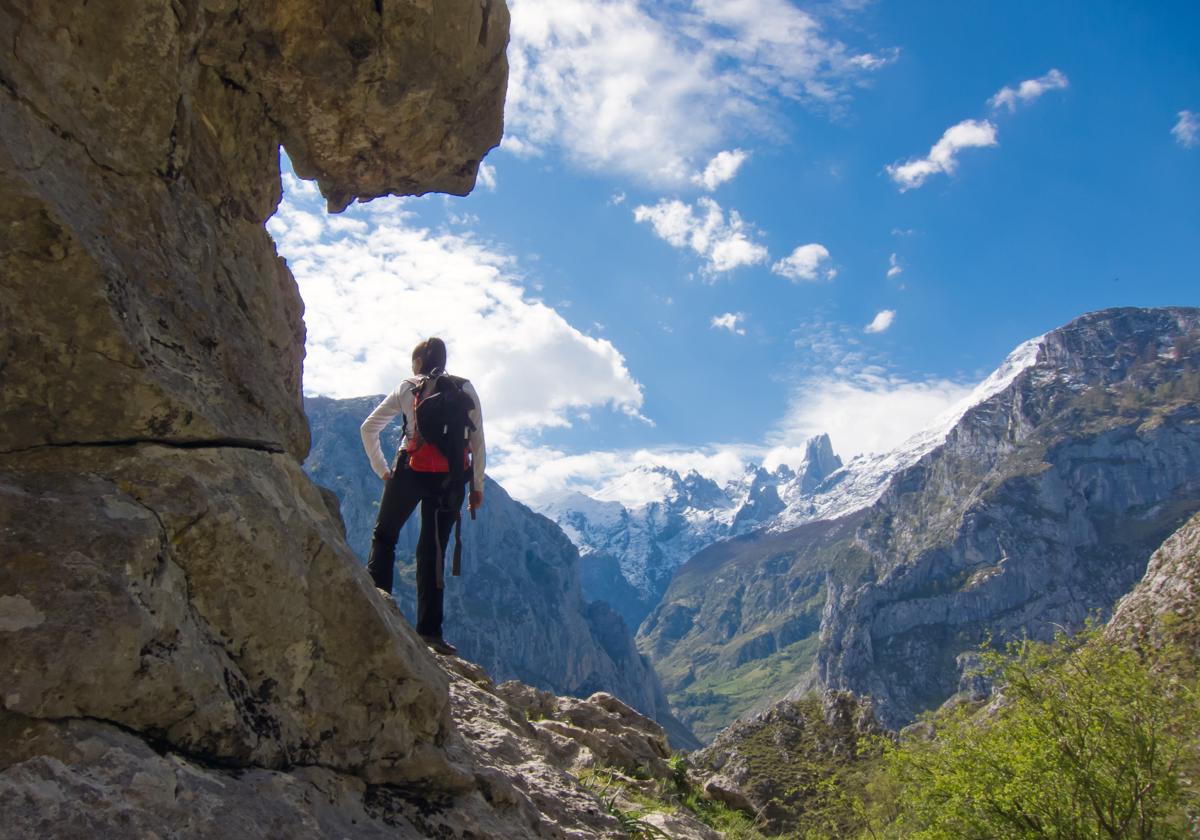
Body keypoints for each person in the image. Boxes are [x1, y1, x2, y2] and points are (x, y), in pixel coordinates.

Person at [360, 337, 484, 656]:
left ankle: (378, 608)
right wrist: (477, 487)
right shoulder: (465, 388)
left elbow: (368, 428)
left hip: (410, 468)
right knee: (433, 551)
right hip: (449, 477)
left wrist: (383, 470)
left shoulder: (408, 386)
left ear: (417, 362)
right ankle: (430, 633)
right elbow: (478, 440)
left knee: (384, 536)